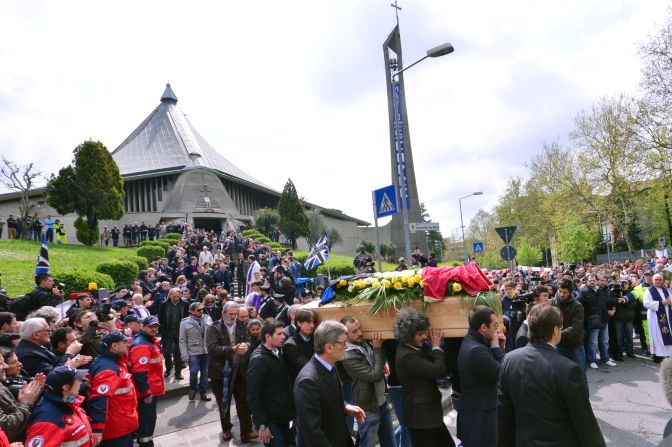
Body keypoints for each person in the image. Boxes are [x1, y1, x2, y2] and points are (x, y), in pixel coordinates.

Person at [498, 304, 606, 446]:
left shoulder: (509, 359)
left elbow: (504, 415)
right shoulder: (567, 369)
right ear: (555, 330)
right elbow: (584, 422)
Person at [293, 320, 365, 447]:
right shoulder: (307, 381)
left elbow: (327, 400)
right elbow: (312, 432)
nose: (346, 346)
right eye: (343, 343)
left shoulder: (331, 366)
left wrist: (345, 407)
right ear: (329, 348)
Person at [393, 309, 454, 447]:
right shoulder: (407, 355)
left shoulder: (414, 348)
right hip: (421, 418)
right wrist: (436, 347)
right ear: (407, 335)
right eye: (420, 334)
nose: (425, 336)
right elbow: (438, 371)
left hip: (429, 416)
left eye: (424, 332)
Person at [205, 302, 257, 442]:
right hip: (221, 372)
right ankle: (226, 429)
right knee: (224, 402)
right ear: (223, 313)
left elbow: (249, 340)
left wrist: (247, 345)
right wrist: (233, 349)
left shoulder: (242, 325)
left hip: (239, 369)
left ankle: (246, 432)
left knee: (243, 401)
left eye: (235, 314)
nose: (234, 317)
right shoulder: (213, 328)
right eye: (231, 314)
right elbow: (212, 349)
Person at [342, 317, 396, 447]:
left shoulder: (365, 342)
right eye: (354, 331)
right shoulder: (347, 356)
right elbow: (375, 375)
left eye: (360, 328)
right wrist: (377, 349)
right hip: (368, 408)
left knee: (390, 443)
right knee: (367, 444)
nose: (360, 333)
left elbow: (381, 363)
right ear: (345, 335)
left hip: (382, 402)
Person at [457, 306, 505, 447]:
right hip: (479, 419)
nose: (497, 329)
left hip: (478, 414)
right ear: (483, 327)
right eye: (495, 325)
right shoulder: (476, 350)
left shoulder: (475, 341)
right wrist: (496, 347)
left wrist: (498, 347)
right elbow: (503, 373)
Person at [246, 319, 295, 447]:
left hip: (282, 415)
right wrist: (262, 425)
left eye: (283, 333)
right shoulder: (259, 360)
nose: (283, 337)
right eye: (279, 334)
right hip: (269, 420)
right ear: (268, 336)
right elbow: (253, 396)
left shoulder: (279, 352)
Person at [89, 331, 139, 447]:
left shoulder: (113, 362)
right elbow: (99, 399)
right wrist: (98, 428)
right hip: (116, 429)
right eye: (124, 342)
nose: (128, 344)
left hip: (121, 423)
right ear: (114, 346)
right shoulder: (108, 369)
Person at [24, 366, 90, 447]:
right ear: (66, 387)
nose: (81, 382)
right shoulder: (47, 420)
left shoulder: (69, 403)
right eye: (78, 380)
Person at [128, 316, 165, 447]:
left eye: (156, 326)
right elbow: (139, 372)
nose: (154, 329)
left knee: (147, 420)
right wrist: (146, 393)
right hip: (146, 393)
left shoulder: (148, 341)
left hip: (150, 389)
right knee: (147, 422)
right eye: (151, 326)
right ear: (143, 327)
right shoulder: (142, 345)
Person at [16, 318, 89, 377]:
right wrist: (70, 353)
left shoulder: (37, 347)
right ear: (36, 335)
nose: (50, 333)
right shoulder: (28, 355)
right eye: (48, 330)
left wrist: (76, 361)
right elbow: (52, 376)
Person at [551, 279, 587, 381]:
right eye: (560, 291)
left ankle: (583, 397)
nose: (561, 294)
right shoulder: (551, 303)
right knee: (560, 376)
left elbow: (576, 327)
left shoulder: (577, 306)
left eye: (565, 292)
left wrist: (557, 336)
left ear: (570, 292)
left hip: (575, 345)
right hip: (558, 346)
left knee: (580, 376)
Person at [579, 274, 617, 369]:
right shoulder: (584, 292)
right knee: (593, 342)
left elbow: (606, 303)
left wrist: (614, 307)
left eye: (593, 280)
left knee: (604, 341)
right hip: (592, 321)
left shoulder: (600, 291)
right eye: (590, 280)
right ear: (587, 281)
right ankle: (592, 360)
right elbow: (578, 304)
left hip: (604, 319)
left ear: (596, 281)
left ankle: (605, 359)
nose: (592, 282)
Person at [179, 302, 212, 402]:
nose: (201, 311)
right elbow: (182, 340)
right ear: (192, 311)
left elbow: (213, 335)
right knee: (193, 371)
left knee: (205, 373)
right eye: (198, 310)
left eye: (202, 309)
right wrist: (184, 355)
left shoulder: (208, 318)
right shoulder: (185, 322)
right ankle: (192, 389)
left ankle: (204, 393)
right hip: (193, 351)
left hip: (206, 351)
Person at [158, 288, 189, 380]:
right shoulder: (164, 305)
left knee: (178, 353)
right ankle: (168, 369)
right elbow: (161, 317)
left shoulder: (185, 304)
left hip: (180, 332)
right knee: (167, 352)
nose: (176, 298)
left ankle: (178, 373)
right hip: (167, 332)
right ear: (170, 296)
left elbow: (187, 317)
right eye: (174, 296)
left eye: (177, 296)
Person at [644, 273, 672, 363]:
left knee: (667, 334)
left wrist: (669, 302)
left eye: (660, 279)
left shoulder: (666, 290)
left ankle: (667, 354)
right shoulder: (649, 291)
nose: (658, 281)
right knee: (657, 335)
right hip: (654, 317)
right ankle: (658, 356)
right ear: (652, 280)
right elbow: (646, 303)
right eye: (656, 279)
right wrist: (661, 303)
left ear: (663, 280)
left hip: (666, 316)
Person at [282, 309, 315, 384]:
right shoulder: (290, 345)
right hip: (302, 385)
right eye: (308, 322)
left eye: (313, 322)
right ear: (299, 323)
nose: (312, 325)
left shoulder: (314, 340)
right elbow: (306, 366)